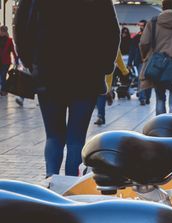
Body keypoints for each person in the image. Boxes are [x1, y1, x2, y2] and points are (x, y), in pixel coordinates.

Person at [14, 0, 119, 181]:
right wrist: (105, 66)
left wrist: (31, 62)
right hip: (87, 74)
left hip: (48, 72)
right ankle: (71, 187)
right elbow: (112, 32)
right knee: (76, 139)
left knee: (53, 137)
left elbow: (21, 28)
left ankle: (51, 184)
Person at [95, 51, 129, 125]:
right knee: (101, 93)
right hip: (100, 70)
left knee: (101, 93)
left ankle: (100, 115)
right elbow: (118, 55)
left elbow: (118, 55)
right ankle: (108, 94)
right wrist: (124, 71)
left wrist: (124, 71)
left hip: (105, 72)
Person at [128, 19, 151, 105]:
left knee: (148, 80)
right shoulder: (137, 37)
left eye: (142, 25)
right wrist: (130, 63)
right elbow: (132, 51)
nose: (141, 27)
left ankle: (146, 97)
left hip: (148, 61)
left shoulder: (150, 37)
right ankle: (142, 98)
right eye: (140, 25)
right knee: (141, 80)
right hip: (140, 61)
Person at [0, 26, 19, 97]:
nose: (2, 32)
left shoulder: (9, 40)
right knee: (1, 76)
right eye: (1, 31)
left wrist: (16, 59)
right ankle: (4, 89)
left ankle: (3, 90)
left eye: (3, 31)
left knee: (3, 75)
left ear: (6, 32)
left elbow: (13, 50)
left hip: (6, 62)